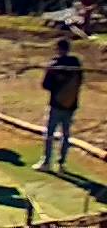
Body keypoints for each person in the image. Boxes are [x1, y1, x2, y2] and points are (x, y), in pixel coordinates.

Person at [34, 38, 83, 173]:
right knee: (65, 134)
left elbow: (45, 85)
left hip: (56, 104)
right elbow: (79, 82)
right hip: (71, 105)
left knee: (50, 133)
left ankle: (46, 162)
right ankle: (61, 164)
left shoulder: (55, 64)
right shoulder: (76, 63)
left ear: (58, 49)